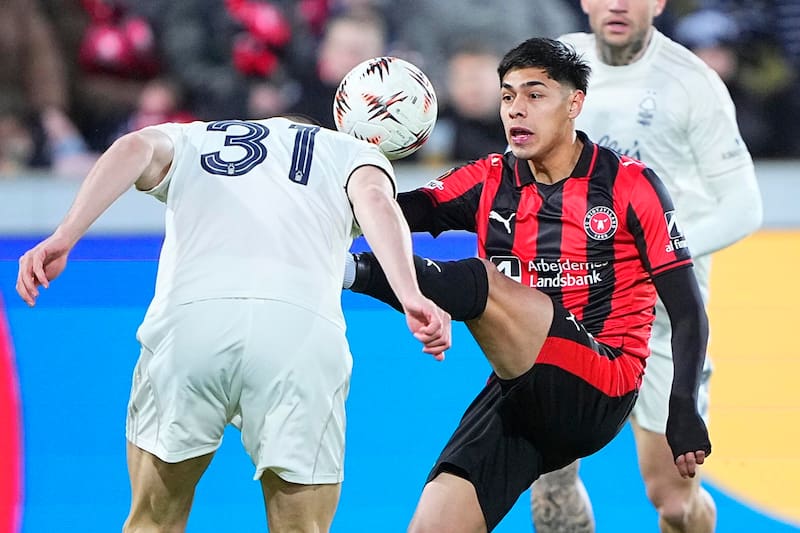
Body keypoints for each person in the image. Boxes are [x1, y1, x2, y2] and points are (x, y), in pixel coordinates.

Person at [345, 37, 711, 532]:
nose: (516, 109)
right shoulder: (488, 178)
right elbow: (393, 212)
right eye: (507, 96)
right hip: (520, 391)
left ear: (574, 103)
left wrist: (682, 406)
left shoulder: (630, 185)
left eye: (535, 95)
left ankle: (349, 273)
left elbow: (687, 311)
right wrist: (348, 176)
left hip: (602, 383)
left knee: (484, 281)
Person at [15, 115, 451, 531]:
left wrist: (64, 236)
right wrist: (409, 293)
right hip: (298, 336)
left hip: (190, 327)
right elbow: (376, 201)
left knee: (152, 522)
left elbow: (131, 148)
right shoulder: (350, 151)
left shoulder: (196, 136)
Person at [529, 2, 763, 533]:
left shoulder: (692, 83)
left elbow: (743, 206)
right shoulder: (549, 68)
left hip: (658, 315)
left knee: (675, 503)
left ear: (658, 3)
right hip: (566, 302)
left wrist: (656, 255)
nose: (617, 4)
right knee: (551, 477)